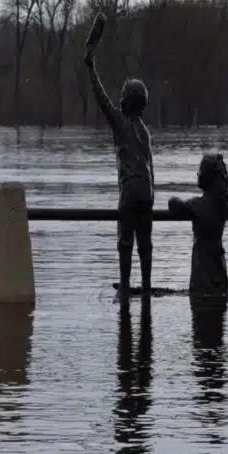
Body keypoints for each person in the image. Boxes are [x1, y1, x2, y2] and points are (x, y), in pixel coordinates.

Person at [84, 39, 154, 296]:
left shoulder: (121, 124)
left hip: (130, 190)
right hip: (146, 192)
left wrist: (91, 67)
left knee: (125, 242)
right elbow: (151, 168)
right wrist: (151, 197)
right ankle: (146, 288)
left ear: (127, 101)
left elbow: (101, 99)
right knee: (145, 245)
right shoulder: (145, 131)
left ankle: (125, 288)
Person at [168, 153, 228, 295]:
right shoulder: (224, 204)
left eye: (200, 171)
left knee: (200, 311)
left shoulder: (197, 206)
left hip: (202, 272)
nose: (198, 174)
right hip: (219, 267)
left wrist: (174, 197)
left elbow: (173, 204)